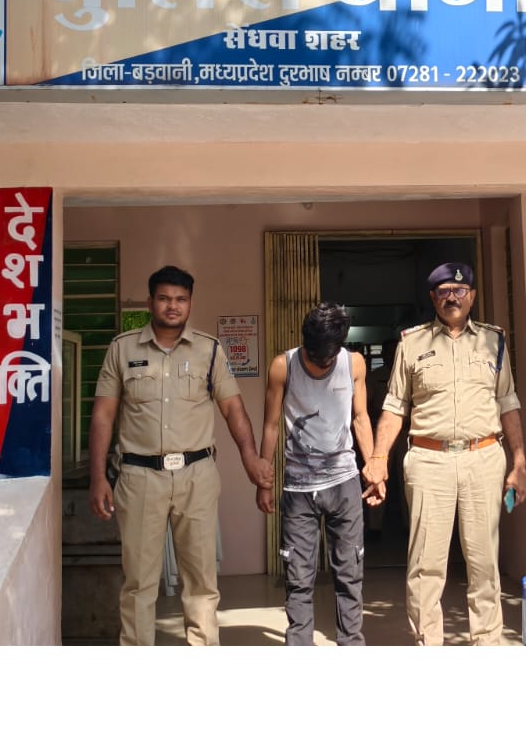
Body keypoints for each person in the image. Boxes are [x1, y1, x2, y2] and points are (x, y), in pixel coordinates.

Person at [87, 265, 274, 646]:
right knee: (139, 583)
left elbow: (233, 409)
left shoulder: (209, 349)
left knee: (201, 580)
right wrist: (97, 477)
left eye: (180, 299)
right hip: (139, 477)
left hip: (196, 476)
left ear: (190, 303)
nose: (172, 306)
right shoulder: (122, 348)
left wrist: (250, 458)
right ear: (150, 301)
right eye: (164, 298)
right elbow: (103, 415)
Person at [366, 262, 526, 646]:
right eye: (443, 291)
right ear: (433, 297)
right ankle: (429, 643)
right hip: (428, 461)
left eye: (459, 290)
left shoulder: (494, 341)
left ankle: (487, 642)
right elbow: (394, 406)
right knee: (426, 565)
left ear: (472, 296)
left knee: (484, 561)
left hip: (483, 457)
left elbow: (507, 402)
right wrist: (378, 458)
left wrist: (519, 461)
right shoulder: (412, 343)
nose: (452, 297)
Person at [260, 303, 377, 646]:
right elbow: (270, 425)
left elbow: (360, 418)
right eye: (314, 357)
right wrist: (263, 480)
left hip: (345, 484)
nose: (321, 365)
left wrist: (374, 470)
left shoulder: (354, 363)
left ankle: (351, 645)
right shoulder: (283, 366)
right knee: (298, 577)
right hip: (299, 489)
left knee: (349, 573)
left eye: (328, 359)